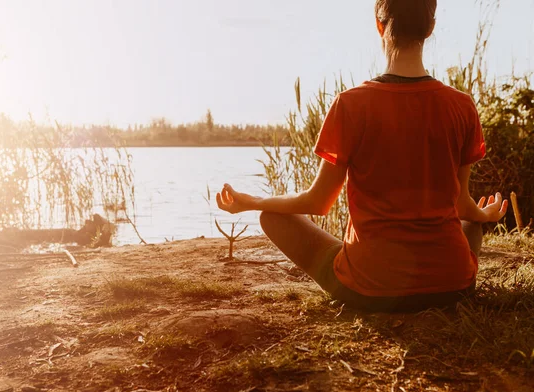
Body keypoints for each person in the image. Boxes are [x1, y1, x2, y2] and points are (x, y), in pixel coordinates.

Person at [215, 0, 509, 312]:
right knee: (471, 222)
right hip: (453, 287)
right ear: (430, 28)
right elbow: (461, 204)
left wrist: (251, 202)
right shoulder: (462, 106)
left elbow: (318, 202)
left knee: (271, 216)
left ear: (380, 26)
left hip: (370, 289)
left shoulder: (350, 104)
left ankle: (367, 265)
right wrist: (484, 216)